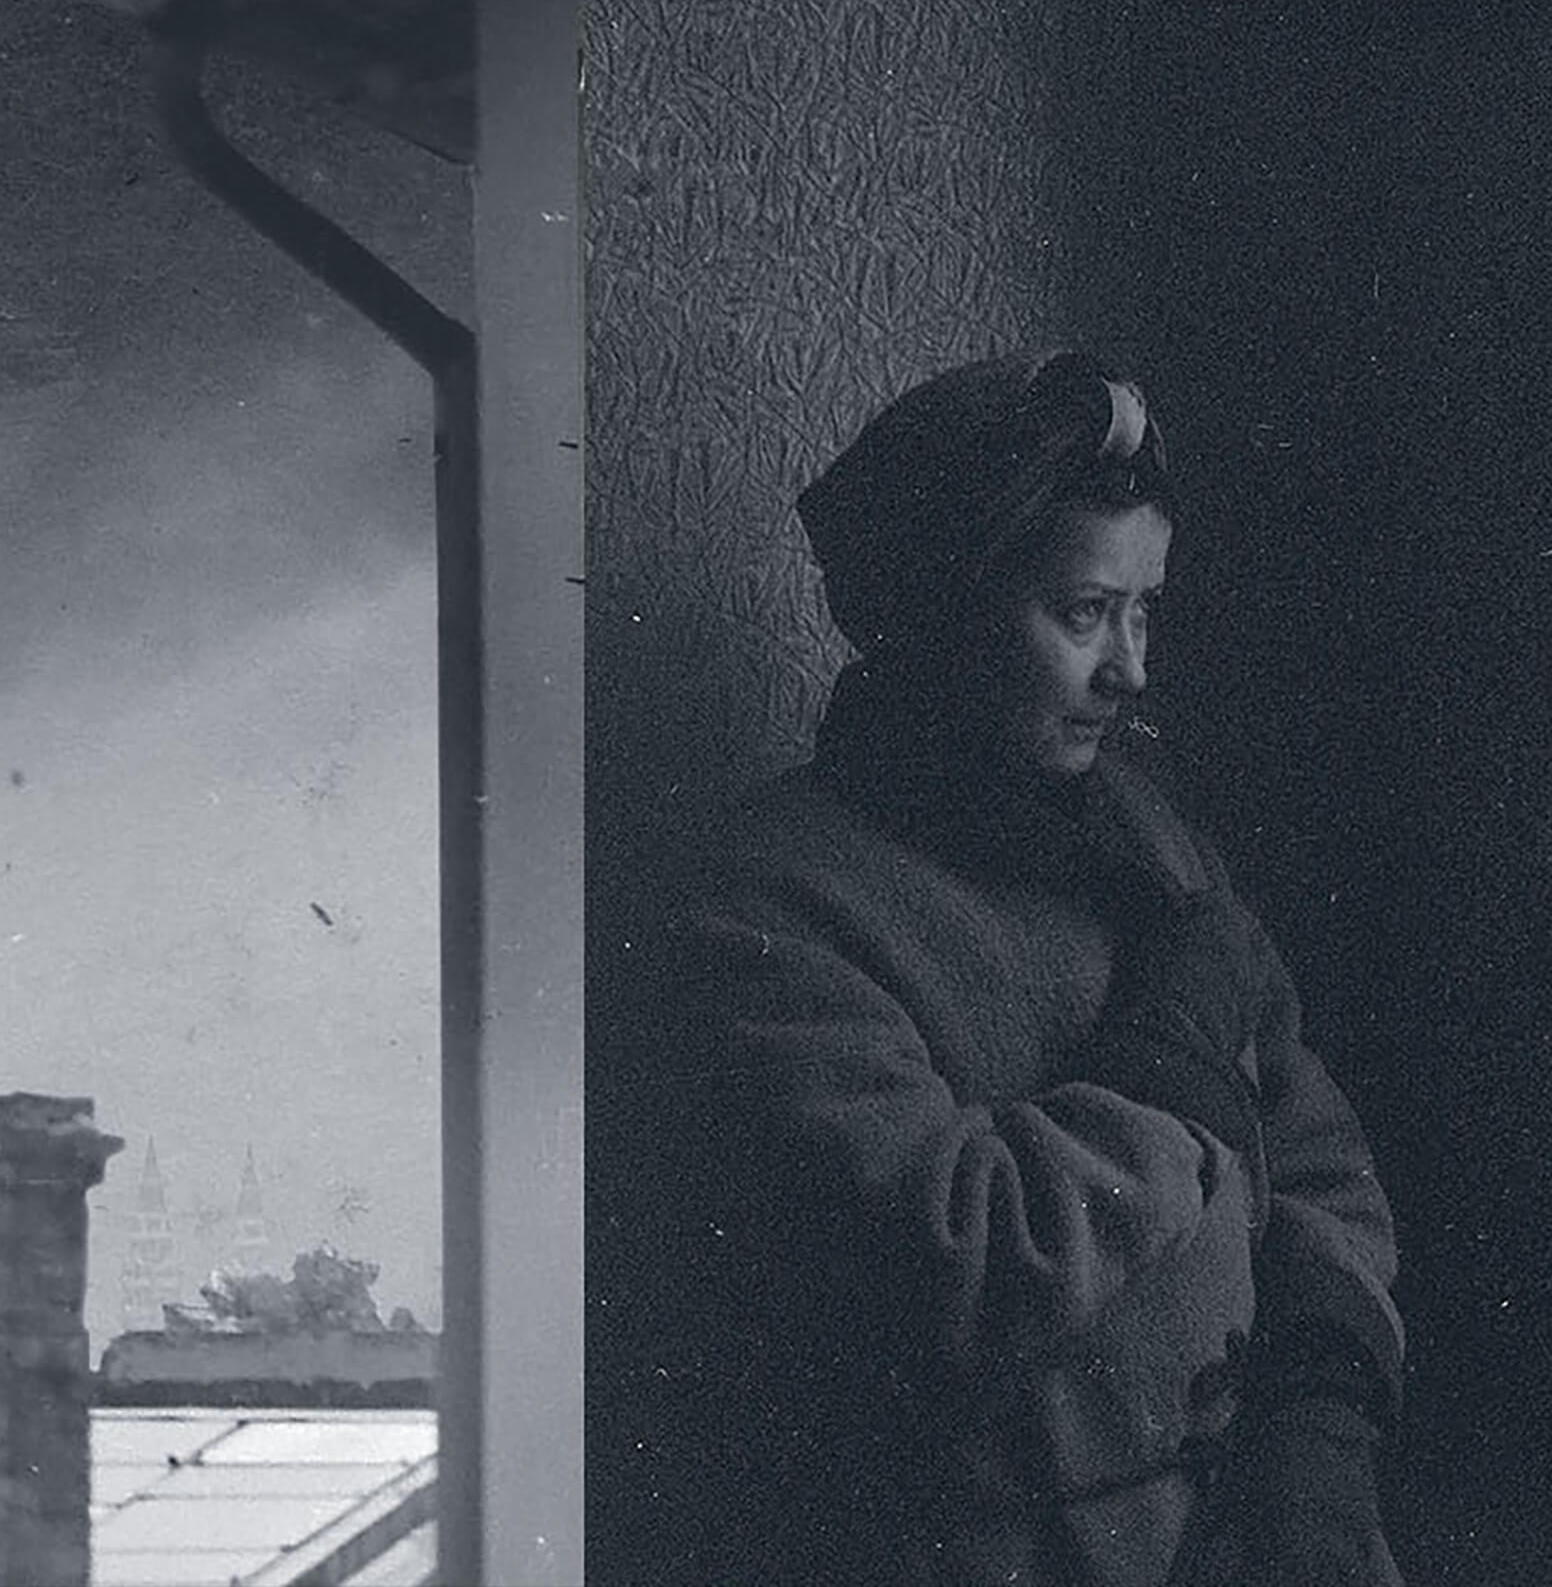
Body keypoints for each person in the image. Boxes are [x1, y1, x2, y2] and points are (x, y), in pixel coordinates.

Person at [594, 351, 1404, 1586]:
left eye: (1145, 608)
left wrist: (1317, 1443)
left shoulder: (1152, 846)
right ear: (939, 612)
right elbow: (954, 1257)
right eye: (1082, 613)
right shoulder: (771, 898)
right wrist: (1171, 1044)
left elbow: (1316, 1170)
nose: (1130, 669)